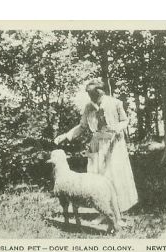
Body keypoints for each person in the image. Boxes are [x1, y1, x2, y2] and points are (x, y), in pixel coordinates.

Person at [54, 80, 138, 225]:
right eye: (88, 94)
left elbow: (125, 121)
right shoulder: (88, 107)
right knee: (96, 180)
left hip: (114, 144)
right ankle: (103, 213)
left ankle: (118, 217)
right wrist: (66, 135)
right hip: (97, 145)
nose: (90, 97)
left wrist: (116, 128)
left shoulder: (115, 103)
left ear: (100, 92)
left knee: (113, 179)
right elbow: (82, 126)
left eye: (92, 93)